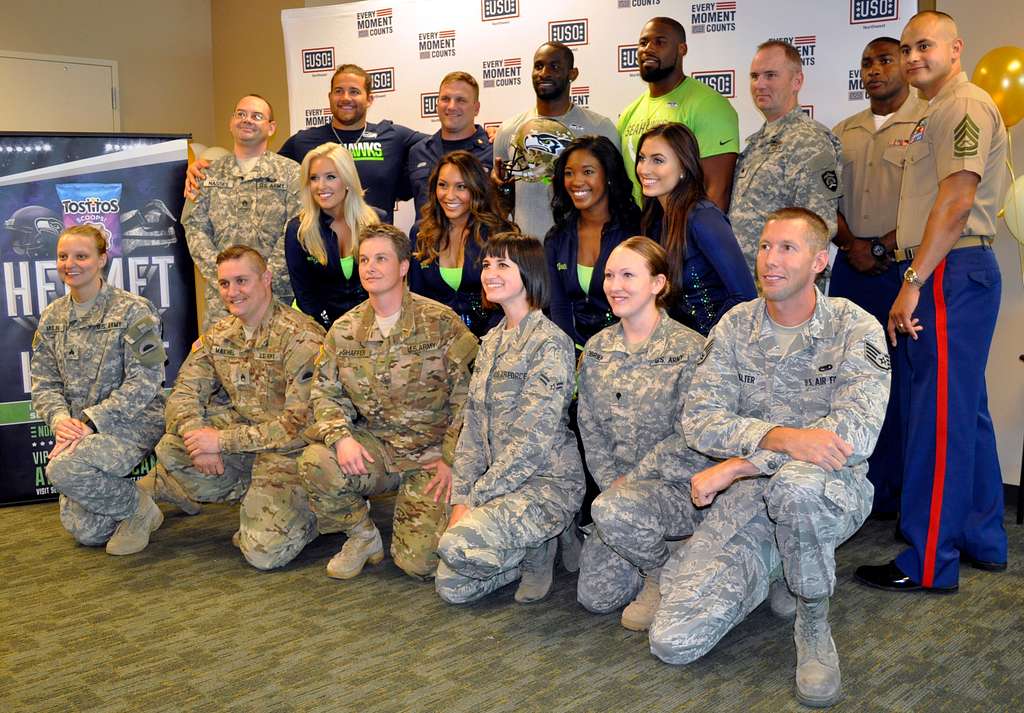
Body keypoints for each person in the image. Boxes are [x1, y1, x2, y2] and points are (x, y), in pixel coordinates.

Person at [651, 208, 889, 708]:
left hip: (827, 489)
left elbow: (852, 437)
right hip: (746, 500)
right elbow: (700, 418)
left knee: (797, 487)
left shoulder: (854, 327)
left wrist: (744, 463)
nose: (770, 260)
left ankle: (813, 620)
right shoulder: (736, 325)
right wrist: (780, 437)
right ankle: (779, 564)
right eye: (763, 247)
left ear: (819, 260)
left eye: (787, 248)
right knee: (672, 642)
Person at [855, 11, 1009, 593]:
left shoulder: (961, 104)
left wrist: (914, 279)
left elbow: (955, 199)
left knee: (939, 419)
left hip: (948, 269)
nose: (914, 56)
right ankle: (980, 536)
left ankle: (928, 562)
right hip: (951, 266)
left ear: (956, 48)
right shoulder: (932, 111)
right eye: (907, 47)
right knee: (963, 412)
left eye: (925, 46)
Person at [299, 224, 478, 581]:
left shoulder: (440, 323)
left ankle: (457, 509)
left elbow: (471, 398)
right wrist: (341, 437)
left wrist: (451, 459)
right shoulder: (345, 330)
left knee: (419, 564)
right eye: (364, 259)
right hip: (377, 449)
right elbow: (324, 393)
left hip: (431, 457)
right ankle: (361, 536)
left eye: (381, 258)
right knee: (317, 461)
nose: (370, 267)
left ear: (403, 267)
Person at [146, 246, 325, 570]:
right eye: (225, 283)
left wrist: (221, 442)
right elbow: (184, 392)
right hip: (249, 445)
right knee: (173, 448)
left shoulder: (301, 337)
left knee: (262, 554)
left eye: (241, 281)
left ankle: (316, 512)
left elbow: (301, 425)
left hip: (292, 454)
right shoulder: (220, 335)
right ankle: (256, 498)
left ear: (266, 279)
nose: (232, 292)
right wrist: (197, 435)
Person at [436, 232, 584, 605]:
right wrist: (462, 497)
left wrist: (476, 501)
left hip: (546, 482)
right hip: (499, 485)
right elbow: (470, 432)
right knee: (452, 587)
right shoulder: (491, 340)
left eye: (503, 265)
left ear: (529, 274)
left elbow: (530, 443)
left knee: (458, 542)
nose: (490, 273)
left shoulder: (551, 343)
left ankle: (541, 546)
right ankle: (527, 549)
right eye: (487, 265)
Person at [575, 236, 708, 632]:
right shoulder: (597, 349)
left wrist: (626, 486)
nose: (615, 285)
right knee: (596, 598)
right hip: (616, 493)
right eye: (610, 275)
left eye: (628, 275)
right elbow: (589, 426)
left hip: (677, 491)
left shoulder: (691, 350)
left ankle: (659, 570)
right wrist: (609, 483)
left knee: (613, 510)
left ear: (658, 284)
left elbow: (691, 436)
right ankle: (653, 545)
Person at [830, 37, 927, 517]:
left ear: (905, 68)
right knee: (852, 379)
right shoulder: (842, 131)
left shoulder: (926, 124)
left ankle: (900, 492)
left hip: (901, 272)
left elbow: (930, 203)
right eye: (867, 62)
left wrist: (879, 247)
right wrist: (851, 244)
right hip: (849, 271)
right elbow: (827, 200)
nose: (874, 70)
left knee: (904, 384)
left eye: (885, 60)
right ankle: (859, 491)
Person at [31, 225, 167, 555]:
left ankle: (139, 509)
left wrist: (90, 422)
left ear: (102, 259)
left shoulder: (136, 310)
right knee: (86, 530)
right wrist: (63, 421)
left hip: (133, 425)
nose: (70, 264)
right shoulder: (52, 317)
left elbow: (148, 380)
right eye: (63, 256)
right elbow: (44, 384)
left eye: (81, 256)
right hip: (82, 432)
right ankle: (155, 489)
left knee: (62, 467)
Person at [186, 65, 426, 224]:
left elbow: (442, 147)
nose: (345, 98)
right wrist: (208, 167)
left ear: (369, 99)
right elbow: (259, 170)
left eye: (354, 91)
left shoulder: (393, 138)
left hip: (375, 255)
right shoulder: (304, 142)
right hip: (322, 255)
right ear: (329, 97)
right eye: (338, 91)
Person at [182, 94, 300, 329]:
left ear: (271, 127)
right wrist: (224, 278)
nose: (247, 120)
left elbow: (297, 229)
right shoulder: (207, 173)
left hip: (275, 298)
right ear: (231, 122)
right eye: (241, 114)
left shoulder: (291, 173)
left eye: (257, 116)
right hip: (223, 303)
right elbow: (193, 226)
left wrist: (262, 279)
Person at [729, 41, 843, 276]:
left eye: (770, 75)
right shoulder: (758, 141)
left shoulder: (810, 140)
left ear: (797, 81)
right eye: (754, 76)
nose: (759, 84)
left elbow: (819, 226)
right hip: (748, 282)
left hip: (783, 282)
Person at [636, 123, 755, 335]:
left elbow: (744, 297)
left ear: (684, 167)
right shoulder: (653, 219)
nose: (644, 169)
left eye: (658, 160)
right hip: (675, 351)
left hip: (714, 349)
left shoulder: (703, 217)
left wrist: (706, 343)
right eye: (642, 158)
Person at [493, 42, 620, 241]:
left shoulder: (600, 128)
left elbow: (616, 195)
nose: (544, 73)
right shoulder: (509, 130)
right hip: (526, 254)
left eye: (555, 66)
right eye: (538, 66)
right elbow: (501, 197)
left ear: (573, 73)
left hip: (581, 250)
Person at [618, 16, 739, 211]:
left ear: (682, 49)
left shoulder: (709, 105)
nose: (648, 49)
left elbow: (718, 189)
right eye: (643, 42)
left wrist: (693, 238)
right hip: (640, 232)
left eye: (660, 42)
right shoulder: (629, 112)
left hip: (682, 234)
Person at [545, 135, 641, 352]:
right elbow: (558, 306)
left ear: (608, 176)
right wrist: (568, 357)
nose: (576, 181)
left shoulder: (636, 231)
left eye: (588, 172)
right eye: (569, 173)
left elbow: (646, 304)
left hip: (628, 353)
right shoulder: (557, 237)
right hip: (574, 354)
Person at [409, 150, 512, 337]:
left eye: (461, 187)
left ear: (476, 189)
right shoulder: (420, 233)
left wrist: (484, 346)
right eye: (443, 185)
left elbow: (507, 303)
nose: (449, 195)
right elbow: (417, 300)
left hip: (489, 341)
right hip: (436, 346)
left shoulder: (497, 233)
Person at [285, 142, 382, 330]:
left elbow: (384, 282)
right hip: (317, 327)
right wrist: (332, 330)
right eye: (314, 178)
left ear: (347, 180)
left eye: (330, 177)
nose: (321, 186)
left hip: (370, 324)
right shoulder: (298, 230)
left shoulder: (376, 221)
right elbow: (305, 295)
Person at [407, 72, 494, 217]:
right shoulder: (418, 152)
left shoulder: (494, 150)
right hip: (427, 238)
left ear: (476, 108)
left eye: (461, 100)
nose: (451, 106)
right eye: (445, 99)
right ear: (437, 104)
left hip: (480, 239)